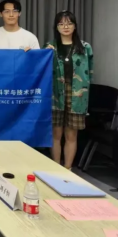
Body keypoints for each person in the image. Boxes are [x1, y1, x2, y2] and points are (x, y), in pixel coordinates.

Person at [45, 11, 93, 170]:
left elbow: (89, 72)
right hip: (55, 93)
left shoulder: (85, 47)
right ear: (56, 27)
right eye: (61, 24)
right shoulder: (50, 46)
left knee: (71, 134)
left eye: (69, 23)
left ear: (75, 26)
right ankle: (55, 167)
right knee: (56, 133)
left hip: (77, 94)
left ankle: (68, 168)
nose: (65, 27)